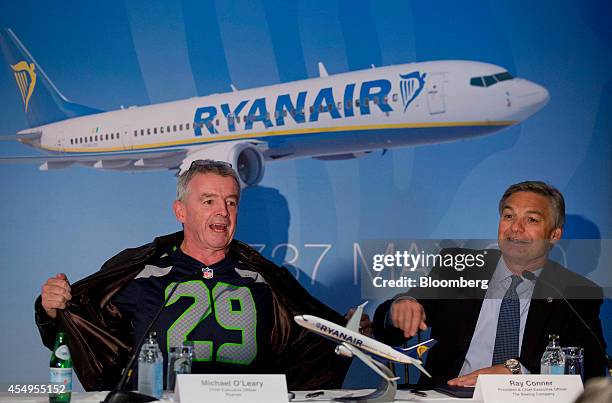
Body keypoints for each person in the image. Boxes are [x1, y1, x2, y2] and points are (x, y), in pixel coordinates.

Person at [36, 159, 350, 391]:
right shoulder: (141, 274)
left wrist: (356, 328)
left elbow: (316, 339)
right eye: (209, 201)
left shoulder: (263, 280)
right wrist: (51, 309)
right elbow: (75, 330)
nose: (223, 212)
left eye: (230, 202)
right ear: (180, 211)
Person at [373, 181, 607, 387]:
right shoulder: (458, 267)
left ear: (554, 235)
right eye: (508, 216)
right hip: (451, 394)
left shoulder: (574, 292)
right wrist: (400, 307)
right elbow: (390, 333)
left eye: (532, 219)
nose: (515, 228)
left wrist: (517, 372)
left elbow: (590, 368)